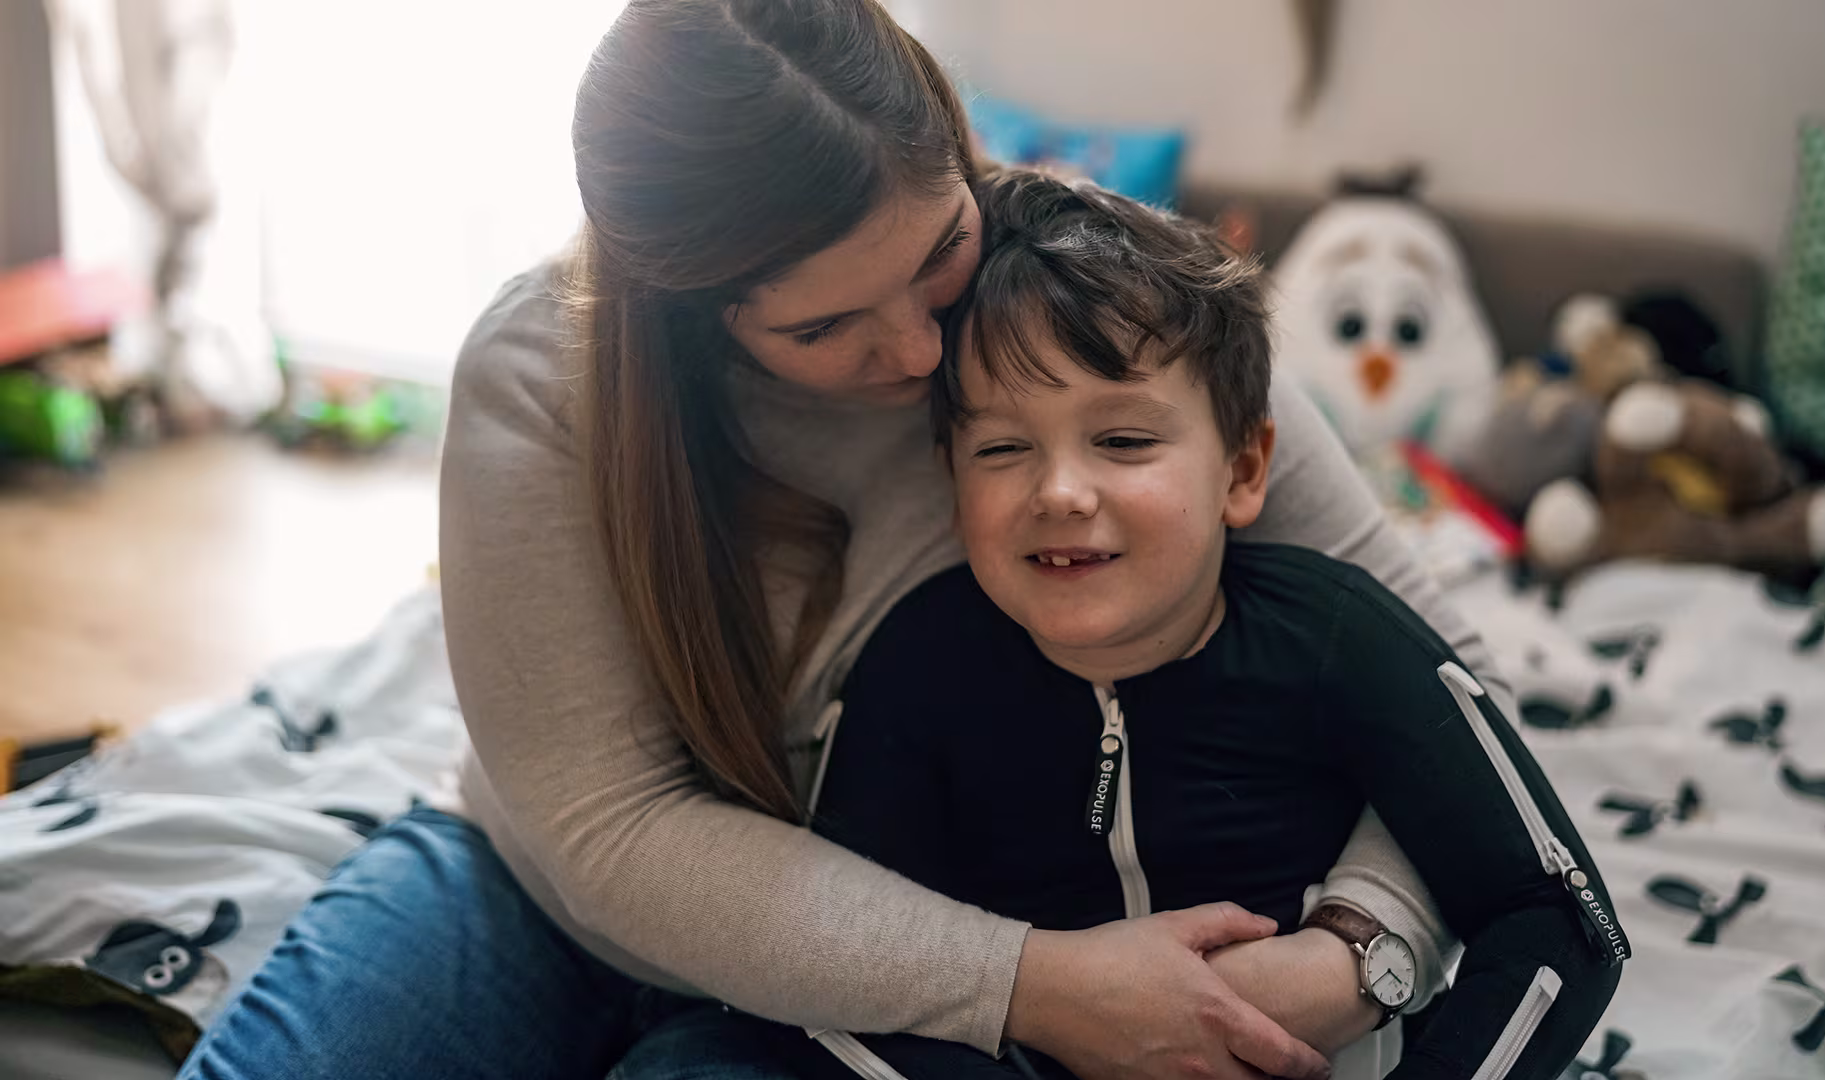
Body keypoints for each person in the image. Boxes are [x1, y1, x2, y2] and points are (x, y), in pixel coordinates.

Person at [180, 3, 1519, 1078]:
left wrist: (1367, 945)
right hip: (543, 905)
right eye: (823, 329)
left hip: (886, 974)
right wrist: (1035, 989)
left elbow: (1446, 671)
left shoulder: (1098, 294)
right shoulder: (549, 375)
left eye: (939, 253)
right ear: (687, 311)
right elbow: (613, 833)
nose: (922, 351)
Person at [612, 171, 1626, 1080]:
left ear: (1243, 469)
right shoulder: (917, 672)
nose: (1060, 490)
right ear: (948, 475)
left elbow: (1558, 921)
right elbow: (852, 982)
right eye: (1003, 449)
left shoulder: (1340, 636)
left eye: (1125, 440)